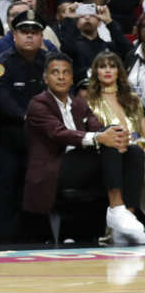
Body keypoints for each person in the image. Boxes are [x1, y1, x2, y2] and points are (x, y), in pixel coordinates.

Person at [24, 52, 145, 244]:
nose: (61, 77)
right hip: (55, 169)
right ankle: (116, 210)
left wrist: (115, 138)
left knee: (133, 151)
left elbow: (97, 127)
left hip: (84, 165)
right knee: (106, 140)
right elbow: (60, 133)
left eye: (66, 72)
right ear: (46, 78)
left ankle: (127, 217)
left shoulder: (80, 103)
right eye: (55, 72)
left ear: (72, 78)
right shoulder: (38, 104)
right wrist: (101, 137)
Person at [0, 8, 47, 239]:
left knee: (36, 183)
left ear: (42, 36)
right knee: (7, 183)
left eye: (35, 32)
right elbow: (2, 99)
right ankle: (6, 235)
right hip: (8, 135)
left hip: (41, 136)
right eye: (24, 31)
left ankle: (37, 233)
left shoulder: (49, 63)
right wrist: (28, 117)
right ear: (14, 35)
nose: (30, 36)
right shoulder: (2, 63)